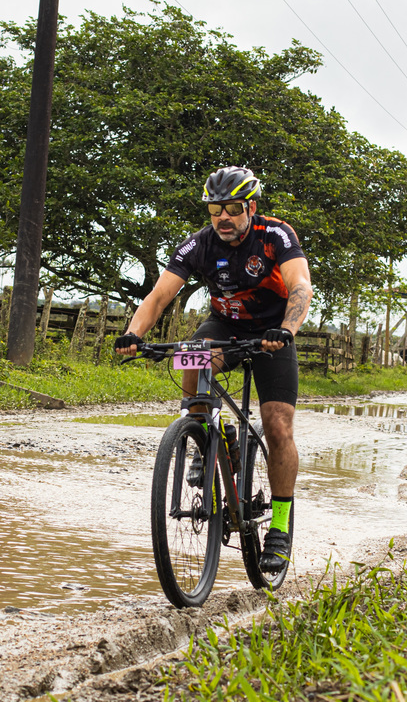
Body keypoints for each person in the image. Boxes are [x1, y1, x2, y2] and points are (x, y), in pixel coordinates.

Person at [114, 166, 313, 574]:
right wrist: (133, 334)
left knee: (278, 426)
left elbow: (300, 286)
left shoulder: (275, 235)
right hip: (226, 326)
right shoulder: (199, 244)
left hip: (273, 334)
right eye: (215, 210)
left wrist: (287, 329)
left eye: (233, 209)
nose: (223, 217)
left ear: (250, 207)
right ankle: (204, 437)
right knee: (191, 354)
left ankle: (279, 528)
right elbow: (159, 296)